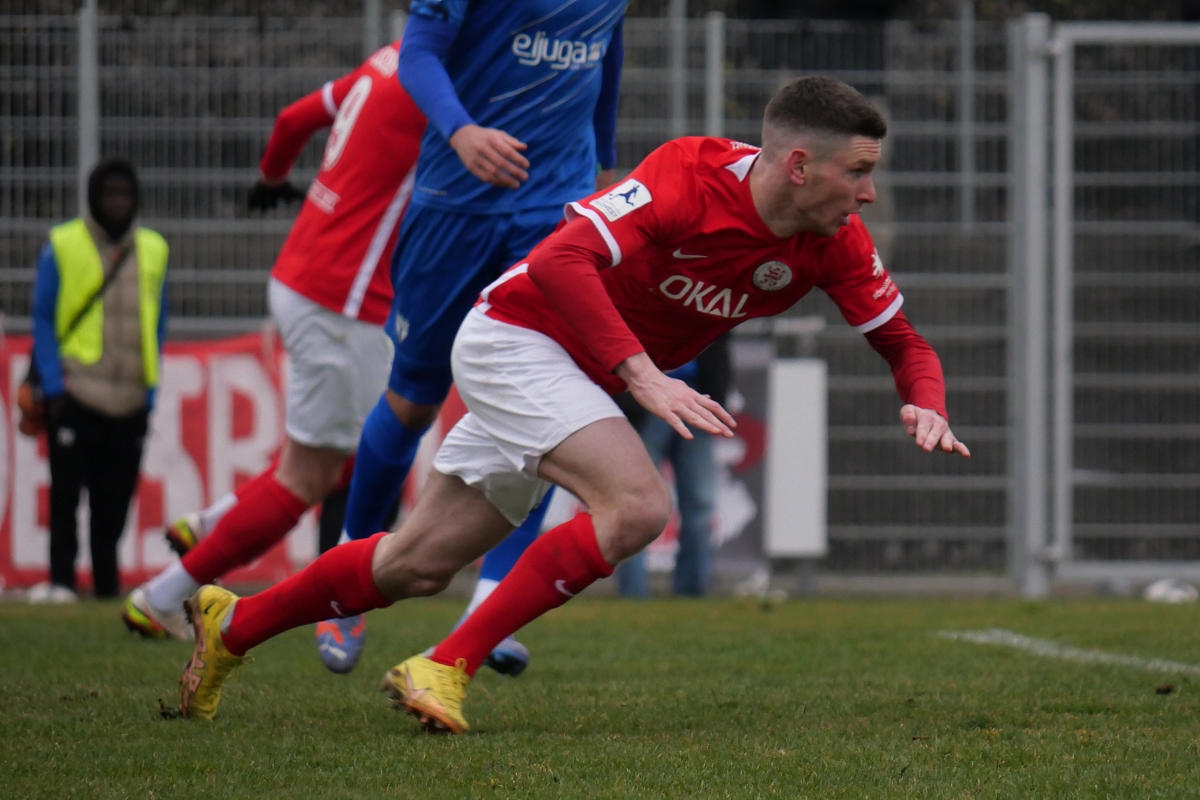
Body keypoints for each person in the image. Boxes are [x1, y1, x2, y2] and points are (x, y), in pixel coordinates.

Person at [174, 75, 970, 730]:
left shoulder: (833, 242)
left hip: (578, 376)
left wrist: (926, 401)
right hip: (517, 336)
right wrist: (643, 375)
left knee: (415, 565)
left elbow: (904, 342)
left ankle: (233, 625)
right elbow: (561, 261)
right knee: (638, 506)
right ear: (798, 165)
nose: (868, 193)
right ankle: (445, 666)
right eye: (857, 172)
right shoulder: (689, 175)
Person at [324, 0, 627, 675]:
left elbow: (607, 49)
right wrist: (461, 131)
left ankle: (489, 605)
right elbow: (418, 54)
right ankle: (346, 580)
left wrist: (603, 165)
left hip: (553, 211)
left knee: (546, 399)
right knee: (413, 400)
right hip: (454, 209)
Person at [119, 41, 424, 642]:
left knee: (342, 455)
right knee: (315, 476)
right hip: (342, 302)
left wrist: (272, 177)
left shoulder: (390, 60)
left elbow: (291, 120)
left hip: (304, 276)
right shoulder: (442, 87)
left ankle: (209, 526)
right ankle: (162, 597)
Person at [26, 157, 169, 603]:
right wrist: (53, 385)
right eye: (109, 194)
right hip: (76, 392)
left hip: (130, 398)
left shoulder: (155, 248)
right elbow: (43, 316)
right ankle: (62, 583)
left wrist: (150, 389)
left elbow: (158, 320)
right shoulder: (62, 243)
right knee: (66, 496)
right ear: (93, 198)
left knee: (114, 502)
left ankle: (107, 588)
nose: (117, 202)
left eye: (124, 194)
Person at [614, 336, 731, 598]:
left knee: (700, 502)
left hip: (698, 397)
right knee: (636, 501)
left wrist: (719, 390)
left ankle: (692, 591)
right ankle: (633, 593)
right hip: (643, 399)